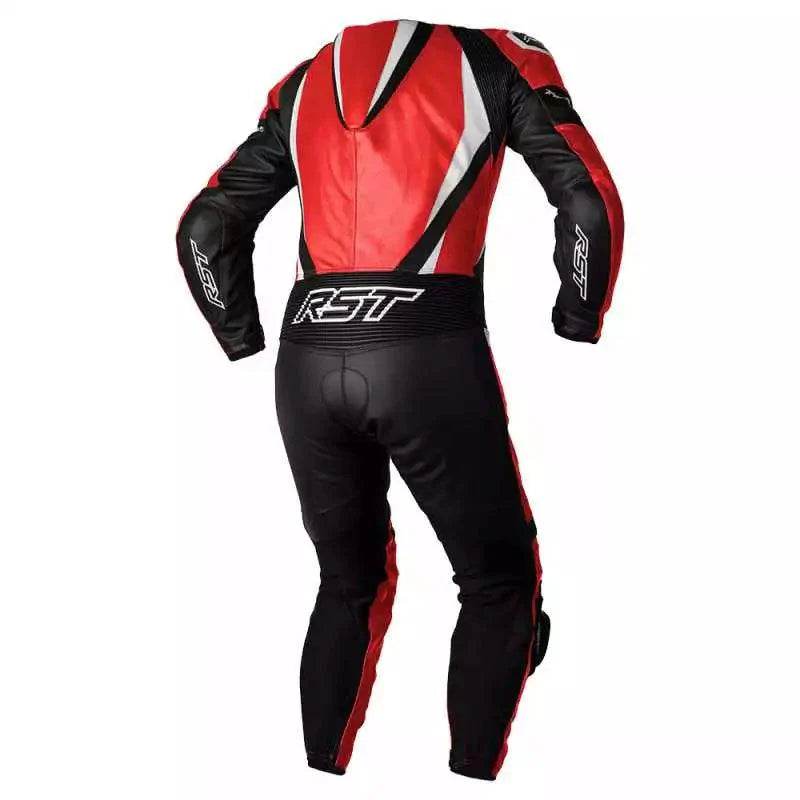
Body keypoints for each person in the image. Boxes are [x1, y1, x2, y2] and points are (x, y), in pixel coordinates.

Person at [176, 20, 623, 780]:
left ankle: (317, 771)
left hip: (306, 361)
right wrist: (579, 316)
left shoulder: (309, 78)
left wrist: (239, 334)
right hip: (428, 350)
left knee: (347, 580)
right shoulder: (497, 57)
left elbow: (205, 225)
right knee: (500, 581)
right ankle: (472, 772)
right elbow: (589, 205)